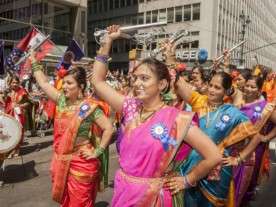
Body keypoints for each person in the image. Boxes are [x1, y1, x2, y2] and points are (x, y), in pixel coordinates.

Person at [90, 25, 221, 207]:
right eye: (135, 78)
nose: (137, 83)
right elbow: (97, 81)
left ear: (162, 85)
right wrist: (107, 41)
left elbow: (213, 155)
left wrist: (187, 180)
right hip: (124, 192)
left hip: (154, 199)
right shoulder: (130, 107)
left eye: (144, 78)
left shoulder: (177, 119)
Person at [30, 50, 113, 207]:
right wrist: (34, 60)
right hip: (60, 161)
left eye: (69, 83)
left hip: (81, 164)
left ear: (80, 86)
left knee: (80, 203)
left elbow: (109, 128)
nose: (64, 87)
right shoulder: (61, 100)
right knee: (65, 201)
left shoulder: (90, 107)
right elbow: (42, 83)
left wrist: (97, 151)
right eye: (64, 82)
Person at [174, 69, 261, 206]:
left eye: (217, 88)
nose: (212, 90)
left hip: (217, 173)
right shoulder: (199, 102)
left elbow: (256, 137)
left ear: (226, 92)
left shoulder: (233, 113)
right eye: (211, 85)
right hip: (191, 165)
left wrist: (238, 159)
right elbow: (179, 84)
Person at [222, 75, 276, 206]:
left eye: (253, 87)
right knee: (227, 184)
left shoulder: (266, 107)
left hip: (253, 151)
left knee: (245, 185)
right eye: (247, 85)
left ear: (259, 89)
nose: (249, 89)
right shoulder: (236, 101)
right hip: (231, 148)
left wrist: (266, 137)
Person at [4, 75, 29, 156]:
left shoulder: (23, 92)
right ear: (10, 83)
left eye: (16, 82)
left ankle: (17, 149)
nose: (14, 84)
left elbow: (28, 103)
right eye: (13, 82)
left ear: (19, 83)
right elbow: (4, 103)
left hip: (19, 114)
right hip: (9, 114)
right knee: (9, 132)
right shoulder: (8, 92)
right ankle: (11, 149)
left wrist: (19, 106)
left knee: (18, 131)